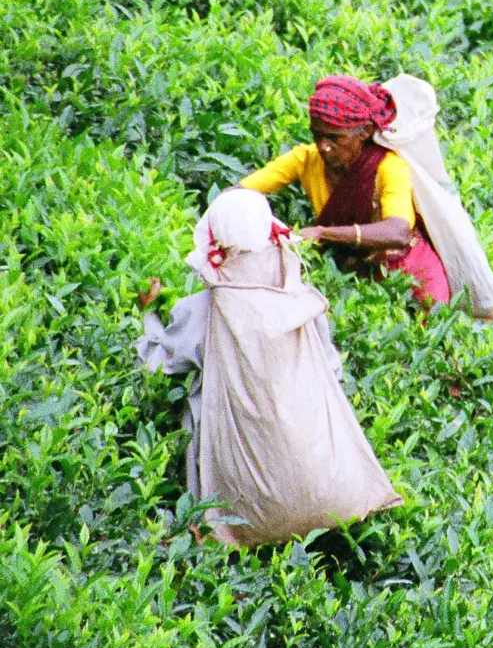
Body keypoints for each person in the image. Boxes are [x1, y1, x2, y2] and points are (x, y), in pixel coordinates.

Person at [135, 188, 402, 546]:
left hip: (243, 477)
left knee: (201, 401)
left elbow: (159, 362)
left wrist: (148, 314)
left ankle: (222, 527)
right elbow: (332, 370)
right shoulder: (300, 297)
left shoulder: (201, 309)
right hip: (326, 477)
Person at [240, 76, 452, 306]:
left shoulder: (388, 167)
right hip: (357, 276)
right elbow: (241, 191)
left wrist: (322, 233)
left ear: (365, 132)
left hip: (411, 278)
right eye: (317, 134)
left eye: (334, 137)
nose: (323, 146)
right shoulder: (305, 159)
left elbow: (398, 231)